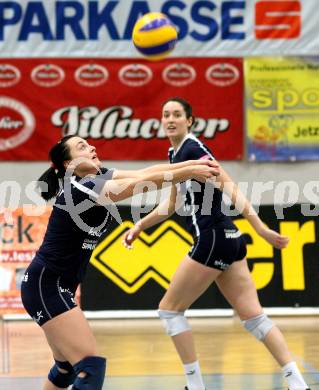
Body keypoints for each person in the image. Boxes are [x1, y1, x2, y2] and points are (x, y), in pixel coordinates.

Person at [123, 97, 311, 390]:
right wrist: (140, 225)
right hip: (229, 238)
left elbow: (228, 184)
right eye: (165, 115)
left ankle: (195, 385)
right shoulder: (177, 153)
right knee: (253, 317)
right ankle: (298, 383)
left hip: (212, 237)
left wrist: (260, 228)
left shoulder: (194, 148)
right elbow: (173, 203)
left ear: (190, 121)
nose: (170, 119)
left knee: (170, 311)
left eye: (176, 114)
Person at [20, 134, 220, 390]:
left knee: (65, 369)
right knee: (90, 367)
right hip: (46, 285)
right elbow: (142, 184)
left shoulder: (97, 176)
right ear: (69, 164)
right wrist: (191, 170)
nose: (91, 147)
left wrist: (189, 166)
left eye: (89, 143)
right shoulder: (80, 189)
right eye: (81, 147)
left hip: (56, 285)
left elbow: (145, 172)